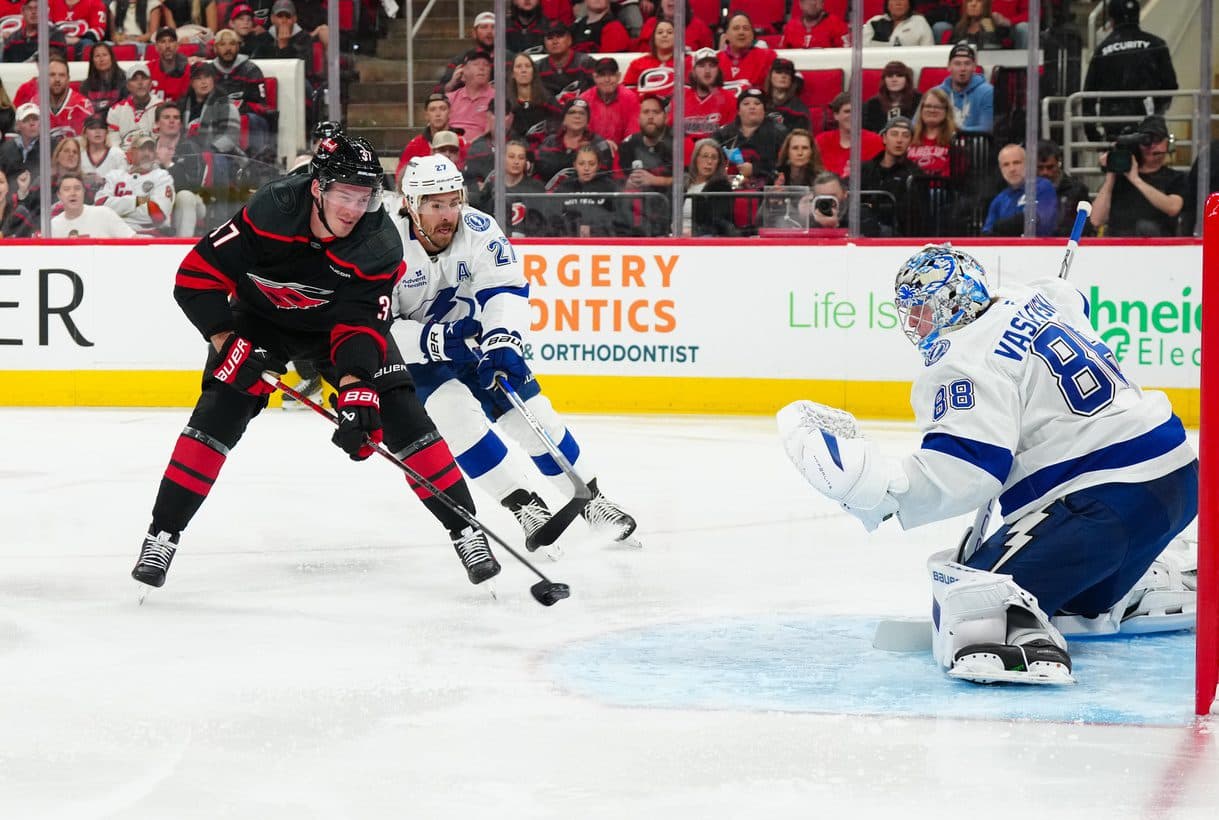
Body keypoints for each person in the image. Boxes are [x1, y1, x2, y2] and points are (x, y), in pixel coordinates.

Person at [778, 244, 1198, 685]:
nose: (915, 323)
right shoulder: (1032, 298)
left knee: (973, 596)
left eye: (923, 309)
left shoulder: (963, 360)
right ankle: (1126, 584)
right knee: (1073, 602)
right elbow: (1072, 297)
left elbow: (970, 469)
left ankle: (1017, 637)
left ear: (954, 304)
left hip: (1107, 497)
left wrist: (880, 491)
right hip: (1179, 476)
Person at [130, 135, 503, 594]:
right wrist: (226, 341)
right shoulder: (271, 210)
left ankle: (467, 530)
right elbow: (194, 277)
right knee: (218, 410)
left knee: (401, 413)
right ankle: (162, 534)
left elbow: (362, 324)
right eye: (344, 194)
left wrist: (355, 387)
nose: (353, 208)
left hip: (339, 331)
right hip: (260, 321)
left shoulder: (380, 242)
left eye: (364, 197)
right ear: (317, 188)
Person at [389, 154, 640, 547]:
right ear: (410, 204)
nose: (448, 214)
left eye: (454, 202)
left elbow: (504, 289)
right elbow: (374, 325)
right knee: (458, 420)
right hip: (420, 359)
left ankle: (593, 501)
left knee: (532, 414)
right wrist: (430, 340)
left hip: (475, 342)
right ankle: (525, 504)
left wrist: (502, 340)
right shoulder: (384, 244)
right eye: (436, 204)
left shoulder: (479, 229)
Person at [1082, 0, 1177, 143]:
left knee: (1116, 162)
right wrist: (1157, 113)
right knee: (1148, 161)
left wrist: (1093, 136)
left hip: (1113, 124)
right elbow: (1170, 85)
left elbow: (1088, 96)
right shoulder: (1156, 44)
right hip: (1148, 123)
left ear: (1111, 20)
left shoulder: (1102, 50)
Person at [1090, 114, 1184, 237]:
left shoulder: (1175, 178)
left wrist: (1135, 179)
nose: (1151, 146)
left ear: (1167, 144)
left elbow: (1173, 207)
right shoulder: (1120, 179)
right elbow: (1096, 220)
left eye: (1157, 140)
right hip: (1119, 247)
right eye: (1145, 141)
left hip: (1159, 248)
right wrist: (1110, 176)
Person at [619, 94, 683, 236]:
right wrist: (626, 185)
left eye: (655, 112)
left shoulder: (680, 143)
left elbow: (692, 180)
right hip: (635, 224)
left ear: (665, 116)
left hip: (672, 220)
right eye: (646, 112)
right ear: (638, 117)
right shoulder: (628, 145)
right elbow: (614, 183)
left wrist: (656, 180)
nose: (650, 116)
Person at [95, 131, 176, 236]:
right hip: (113, 233)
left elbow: (158, 215)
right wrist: (138, 201)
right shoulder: (114, 176)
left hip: (148, 235)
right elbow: (100, 206)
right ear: (131, 153)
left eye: (151, 149)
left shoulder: (162, 177)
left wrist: (117, 208)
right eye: (142, 149)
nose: (147, 153)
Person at [713, 87, 785, 191]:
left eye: (757, 103)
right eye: (746, 104)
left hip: (768, 192)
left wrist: (755, 169)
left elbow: (783, 165)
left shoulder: (779, 134)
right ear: (738, 111)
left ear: (764, 110)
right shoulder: (723, 135)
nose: (752, 107)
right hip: (729, 191)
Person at [534, 97, 615, 187]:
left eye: (582, 113)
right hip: (551, 195)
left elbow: (604, 177)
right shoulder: (549, 142)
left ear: (587, 121)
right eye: (572, 112)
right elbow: (540, 171)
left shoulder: (598, 144)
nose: (577, 116)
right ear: (563, 119)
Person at [858, 116, 919, 235]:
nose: (899, 140)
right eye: (894, 134)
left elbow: (908, 214)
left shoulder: (914, 175)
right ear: (885, 138)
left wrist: (875, 207)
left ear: (911, 141)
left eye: (905, 136)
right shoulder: (865, 169)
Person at [982, 143, 1057, 236]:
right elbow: (987, 234)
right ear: (1000, 169)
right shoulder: (999, 200)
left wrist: (1000, 227)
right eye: (1006, 165)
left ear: (1027, 164)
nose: (1012, 169)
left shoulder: (1042, 187)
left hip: (1040, 248)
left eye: (1016, 162)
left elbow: (1036, 219)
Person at [815, 92, 884, 180]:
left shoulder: (875, 141)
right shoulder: (821, 140)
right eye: (847, 111)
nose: (852, 116)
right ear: (836, 115)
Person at [51, 171, 138, 237]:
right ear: (59, 195)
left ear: (84, 192)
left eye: (77, 188)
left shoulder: (104, 214)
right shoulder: (53, 226)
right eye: (67, 189)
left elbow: (135, 241)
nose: (73, 193)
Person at [579, 57, 640, 149]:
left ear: (618, 77)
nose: (607, 80)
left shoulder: (630, 98)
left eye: (611, 75)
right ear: (595, 77)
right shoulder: (584, 99)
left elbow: (633, 134)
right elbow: (580, 134)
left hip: (622, 152)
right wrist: (600, 145)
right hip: (591, 152)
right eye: (602, 75)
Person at [1036, 139, 1091, 237]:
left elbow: (1085, 226)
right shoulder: (1026, 191)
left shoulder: (1077, 190)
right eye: (1040, 168)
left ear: (1059, 163)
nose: (1045, 172)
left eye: (1050, 167)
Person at [680, 48, 738, 142]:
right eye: (702, 66)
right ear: (693, 71)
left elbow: (730, 137)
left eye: (712, 66)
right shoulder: (680, 99)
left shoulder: (729, 99)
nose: (707, 71)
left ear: (718, 70)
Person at [438, 10, 500, 94]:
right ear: (474, 33)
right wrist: (453, 83)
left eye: (493, 27)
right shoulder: (461, 60)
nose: (489, 31)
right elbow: (438, 91)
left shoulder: (509, 59)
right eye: (484, 27)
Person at [683, 137, 735, 236]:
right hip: (675, 235)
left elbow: (717, 223)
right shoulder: (684, 184)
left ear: (718, 163)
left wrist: (693, 234)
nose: (709, 162)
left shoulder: (721, 187)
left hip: (703, 237)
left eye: (714, 157)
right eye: (705, 156)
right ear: (695, 158)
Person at [937, 43, 993, 133]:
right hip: (941, 144)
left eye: (967, 63)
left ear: (974, 67)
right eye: (957, 64)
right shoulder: (936, 92)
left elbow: (987, 128)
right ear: (949, 66)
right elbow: (916, 125)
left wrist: (955, 131)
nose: (962, 68)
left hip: (974, 144)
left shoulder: (988, 92)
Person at [508, 52, 563, 144]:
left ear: (533, 72)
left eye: (527, 66)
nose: (523, 70)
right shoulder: (506, 104)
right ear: (512, 74)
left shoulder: (547, 100)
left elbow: (558, 125)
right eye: (518, 66)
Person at [107, 62, 163, 146]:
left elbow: (166, 143)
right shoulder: (116, 110)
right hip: (124, 157)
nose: (140, 83)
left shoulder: (162, 108)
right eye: (134, 79)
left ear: (151, 83)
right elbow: (114, 145)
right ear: (127, 86)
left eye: (144, 78)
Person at [906, 87, 957, 179]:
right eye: (928, 106)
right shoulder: (909, 136)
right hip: (913, 189)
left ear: (946, 111)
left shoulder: (956, 138)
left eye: (938, 107)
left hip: (943, 189)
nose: (932, 110)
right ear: (921, 110)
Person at [717, 12, 776, 91]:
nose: (741, 33)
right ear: (726, 35)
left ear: (752, 34)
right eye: (736, 28)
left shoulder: (767, 57)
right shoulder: (716, 60)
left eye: (746, 28)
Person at [447, 50, 496, 143]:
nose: (482, 68)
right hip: (450, 147)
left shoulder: (497, 98)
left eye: (486, 65)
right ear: (463, 70)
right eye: (476, 64)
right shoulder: (450, 98)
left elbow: (492, 133)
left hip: (480, 150)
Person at [537, 21, 596, 98]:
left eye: (559, 36)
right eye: (550, 38)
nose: (555, 41)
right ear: (544, 43)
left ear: (569, 40)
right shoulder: (538, 67)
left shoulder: (586, 63)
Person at [862, 60, 921, 134]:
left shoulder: (919, 100)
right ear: (884, 80)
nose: (894, 80)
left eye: (899, 76)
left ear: (907, 80)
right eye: (890, 76)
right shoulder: (873, 104)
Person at [2, 0, 68, 63]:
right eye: (29, 8)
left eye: (37, 8)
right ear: (22, 12)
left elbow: (57, 64)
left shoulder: (55, 36)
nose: (33, 12)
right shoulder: (12, 40)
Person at [637, 0, 714, 52]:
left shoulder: (699, 26)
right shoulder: (650, 24)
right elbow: (641, 55)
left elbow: (707, 57)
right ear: (661, 3)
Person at [79, 41, 130, 114]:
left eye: (105, 55)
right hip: (94, 122)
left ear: (111, 58)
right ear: (92, 61)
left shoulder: (125, 80)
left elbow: (128, 108)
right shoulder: (85, 86)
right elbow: (84, 112)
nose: (101, 59)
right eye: (97, 56)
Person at [764, 58, 810, 134]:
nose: (783, 76)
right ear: (770, 76)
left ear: (792, 79)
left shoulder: (799, 107)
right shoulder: (760, 102)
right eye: (779, 72)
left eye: (787, 73)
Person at [861, 0, 934, 47]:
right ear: (887, 4)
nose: (898, 3)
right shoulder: (875, 21)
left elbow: (928, 52)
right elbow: (862, 49)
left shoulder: (919, 22)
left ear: (909, 4)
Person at [781, 0, 849, 49]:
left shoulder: (836, 24)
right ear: (800, 4)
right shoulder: (791, 26)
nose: (813, 3)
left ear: (822, 3)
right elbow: (783, 56)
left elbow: (845, 55)